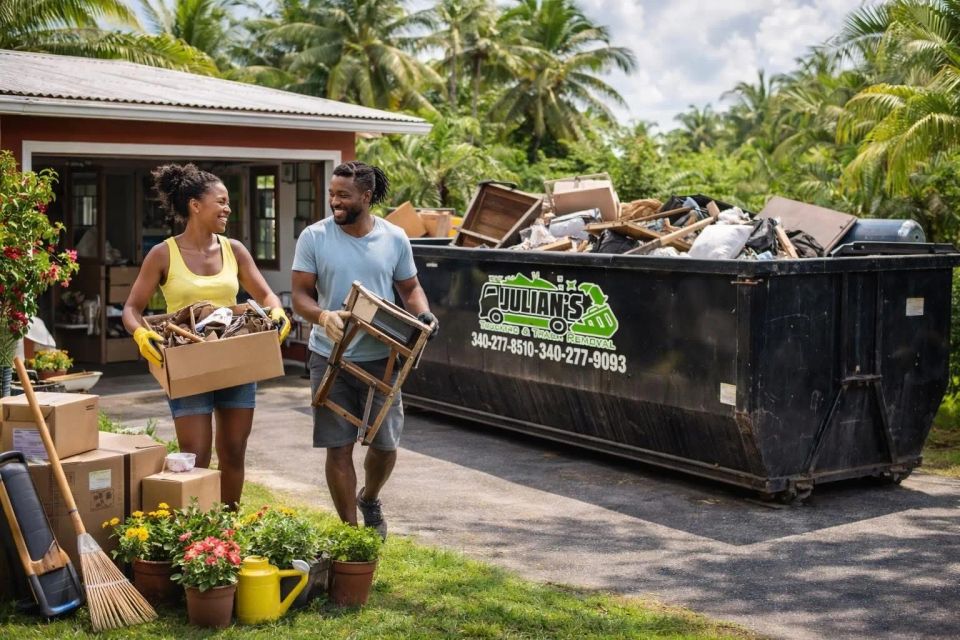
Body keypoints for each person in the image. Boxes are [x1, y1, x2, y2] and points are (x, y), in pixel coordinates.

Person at [122, 163, 290, 509]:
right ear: (195, 205)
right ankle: (196, 534)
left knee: (233, 452)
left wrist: (276, 311)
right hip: (188, 363)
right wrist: (142, 336)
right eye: (222, 201)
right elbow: (131, 309)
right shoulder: (163, 253)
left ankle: (227, 530)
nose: (228, 208)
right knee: (195, 456)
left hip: (236, 360)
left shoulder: (234, 250)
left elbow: (267, 295)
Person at [291, 161, 437, 539]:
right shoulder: (314, 237)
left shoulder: (394, 238)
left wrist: (423, 314)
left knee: (386, 445)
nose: (334, 202)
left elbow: (409, 288)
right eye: (332, 194)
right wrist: (322, 315)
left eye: (343, 196)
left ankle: (369, 497)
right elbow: (300, 296)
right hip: (330, 355)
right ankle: (351, 534)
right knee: (337, 447)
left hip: (382, 357)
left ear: (366, 197)